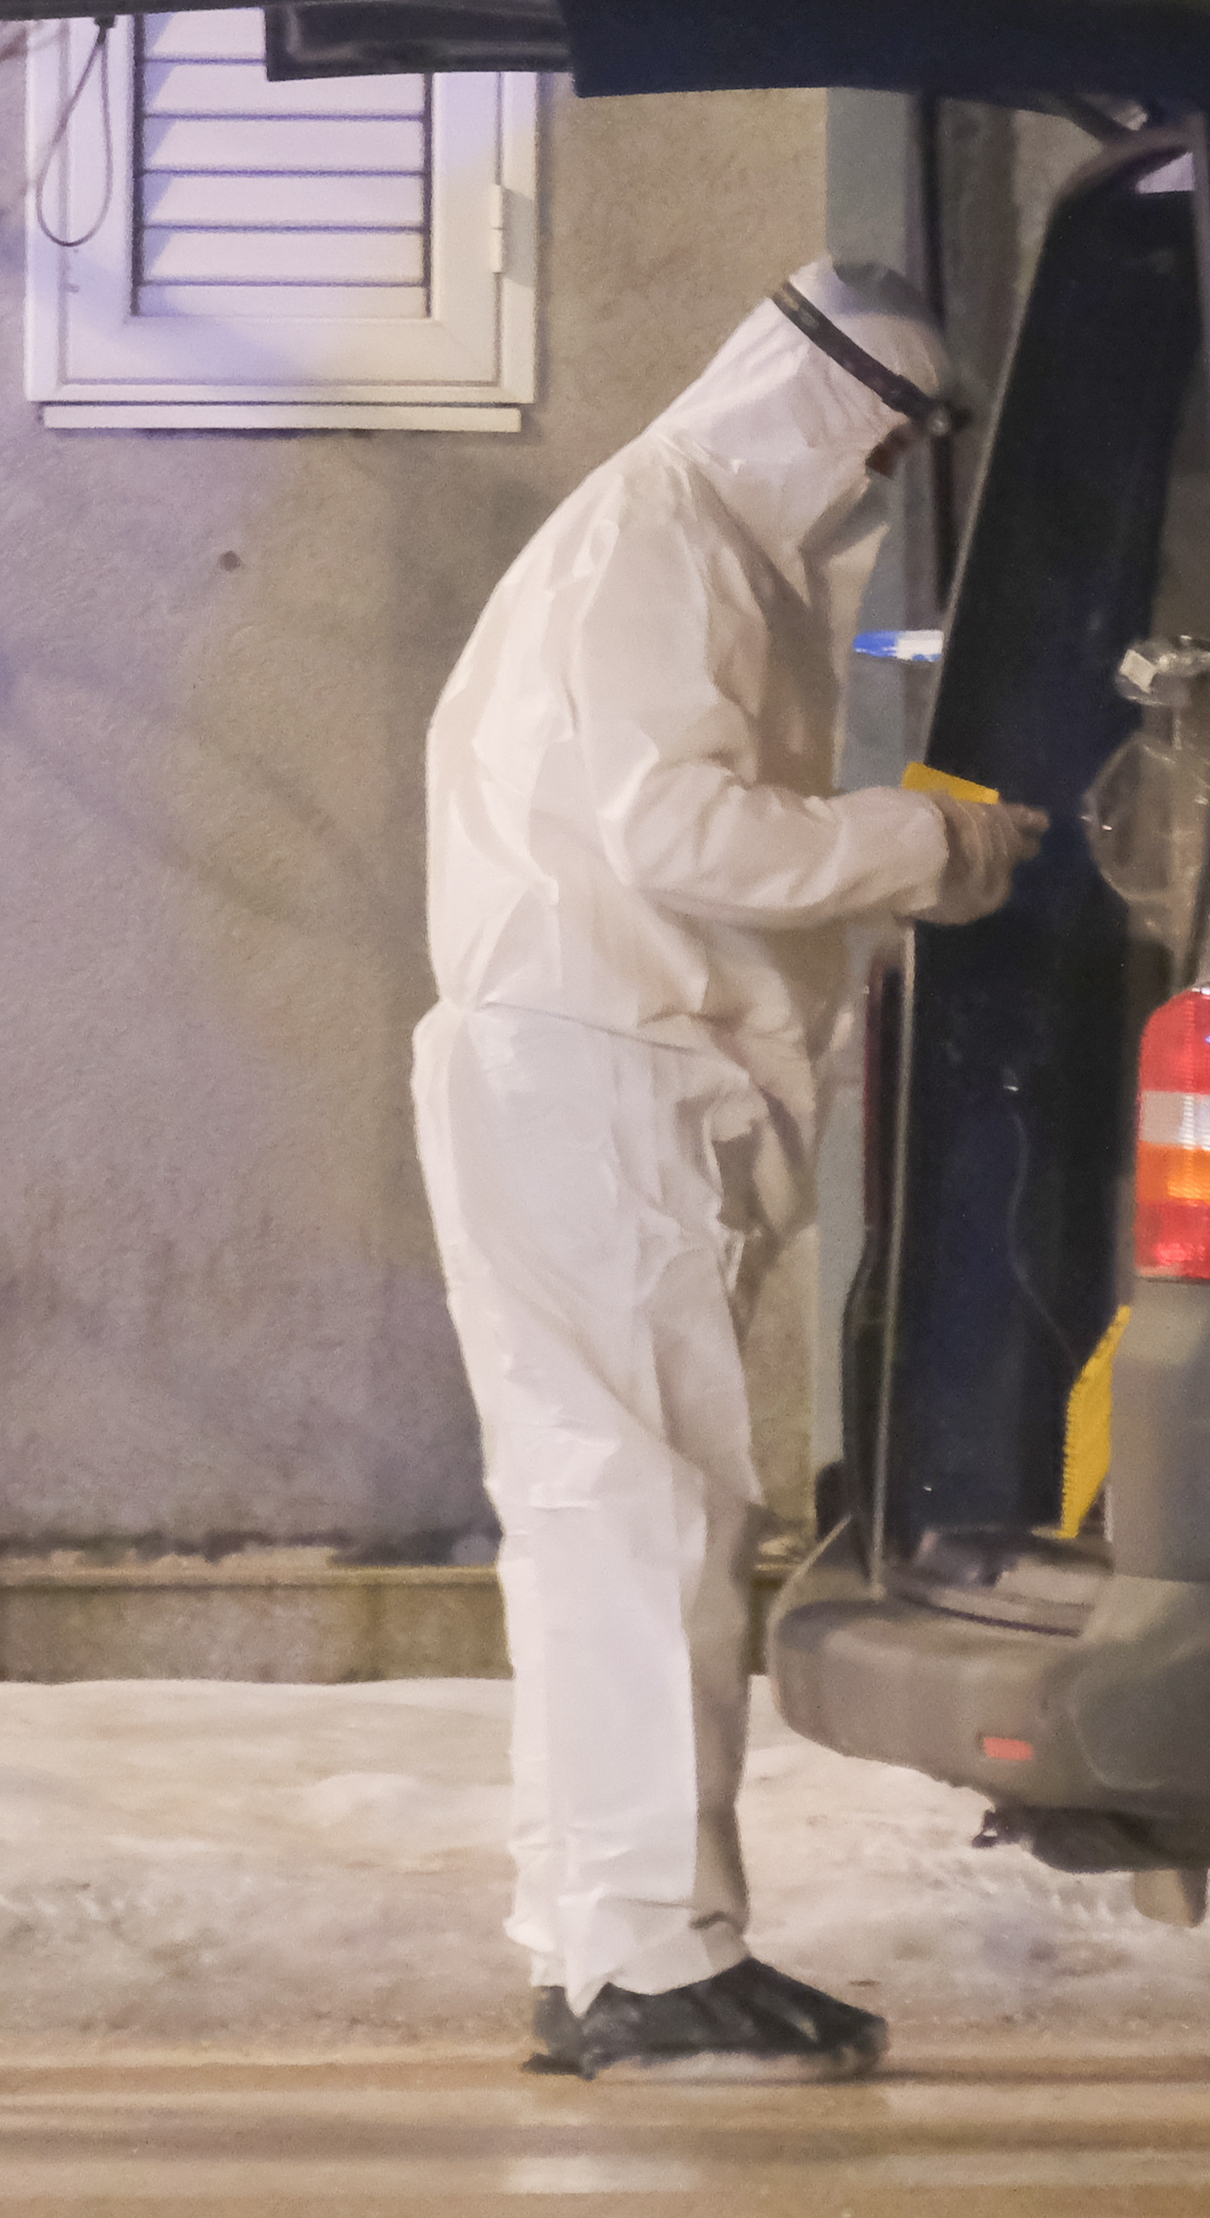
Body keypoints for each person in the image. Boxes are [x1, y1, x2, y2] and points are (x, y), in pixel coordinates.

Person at [417, 261, 1045, 2083]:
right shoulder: (664, 543)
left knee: (605, 1521)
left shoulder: (663, 537)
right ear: (831, 413)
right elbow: (676, 831)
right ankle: (652, 1964)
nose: (883, 485)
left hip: (587, 1070)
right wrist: (929, 846)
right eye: (889, 446)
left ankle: (607, 1939)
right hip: (605, 1074)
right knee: (650, 1523)